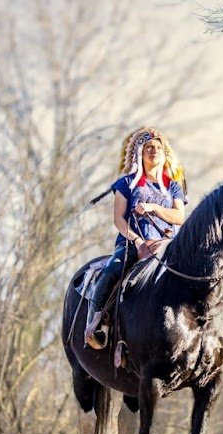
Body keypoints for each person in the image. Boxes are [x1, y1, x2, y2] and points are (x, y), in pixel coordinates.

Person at [85, 127, 187, 349]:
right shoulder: (127, 184)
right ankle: (95, 324)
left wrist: (153, 208)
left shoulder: (173, 187)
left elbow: (179, 216)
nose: (154, 151)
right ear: (140, 154)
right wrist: (137, 241)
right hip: (134, 243)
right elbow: (119, 220)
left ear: (164, 153)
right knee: (113, 269)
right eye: (149, 148)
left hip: (166, 244)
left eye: (158, 148)